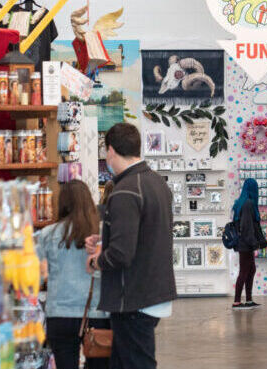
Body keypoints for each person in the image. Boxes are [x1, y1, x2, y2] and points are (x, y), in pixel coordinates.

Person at [85, 123, 176, 369]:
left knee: (135, 362)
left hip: (133, 297)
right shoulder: (157, 183)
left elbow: (122, 254)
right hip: (150, 290)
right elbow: (146, 235)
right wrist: (106, 240)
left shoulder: (125, 190)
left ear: (111, 150)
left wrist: (96, 260)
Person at [36, 180, 110, 369]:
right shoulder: (102, 234)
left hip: (59, 313)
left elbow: (38, 275)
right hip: (96, 313)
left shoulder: (47, 234)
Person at [231, 178, 266, 310]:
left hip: (244, 242)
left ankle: (249, 300)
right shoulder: (248, 204)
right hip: (246, 243)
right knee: (245, 271)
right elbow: (247, 226)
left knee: (250, 270)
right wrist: (253, 243)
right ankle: (237, 302)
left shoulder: (242, 202)